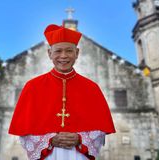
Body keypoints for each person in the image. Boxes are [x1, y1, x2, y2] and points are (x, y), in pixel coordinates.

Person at [9, 24, 116, 160]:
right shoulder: (32, 87)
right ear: (50, 53)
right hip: (47, 155)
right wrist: (49, 140)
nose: (63, 56)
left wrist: (80, 138)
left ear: (77, 53)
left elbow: (100, 131)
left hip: (80, 155)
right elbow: (24, 133)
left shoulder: (92, 88)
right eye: (58, 51)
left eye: (69, 51)